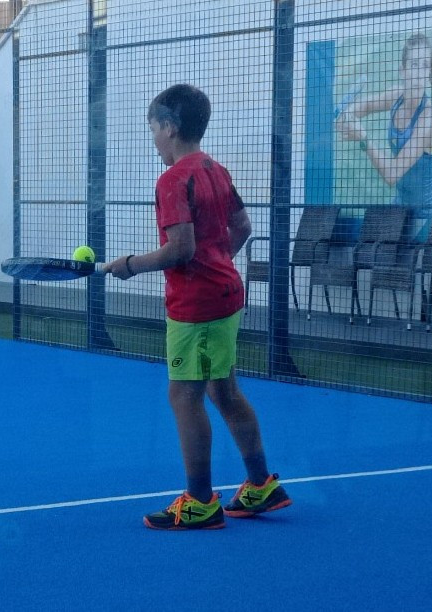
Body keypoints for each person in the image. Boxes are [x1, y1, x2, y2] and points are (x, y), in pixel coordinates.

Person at [105, 84, 291, 530]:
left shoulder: (173, 179)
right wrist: (217, 261)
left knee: (184, 396)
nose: (153, 139)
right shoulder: (216, 169)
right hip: (226, 295)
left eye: (154, 128)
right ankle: (260, 485)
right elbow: (242, 227)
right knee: (223, 390)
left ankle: (201, 502)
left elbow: (180, 249)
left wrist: (129, 265)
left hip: (197, 305)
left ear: (170, 127)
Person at [337, 33, 432, 240]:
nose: (419, 73)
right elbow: (367, 105)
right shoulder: (397, 95)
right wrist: (347, 116)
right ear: (403, 71)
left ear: (429, 73)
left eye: (425, 65)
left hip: (426, 214)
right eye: (414, 64)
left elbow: (392, 174)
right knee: (381, 250)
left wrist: (364, 140)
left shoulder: (430, 117)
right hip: (401, 203)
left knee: (403, 259)